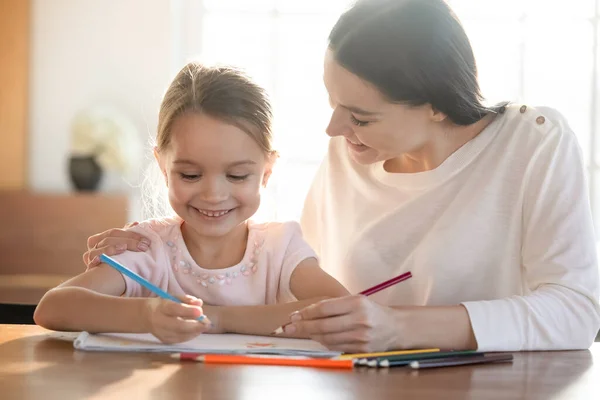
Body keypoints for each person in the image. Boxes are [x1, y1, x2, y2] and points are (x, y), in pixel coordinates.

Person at [81, 0, 600, 353]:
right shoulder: (349, 149)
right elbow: (290, 279)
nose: (333, 128)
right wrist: (157, 243)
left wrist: (398, 327)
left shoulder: (534, 142)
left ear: (438, 105)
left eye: (361, 115)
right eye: (333, 104)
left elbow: (576, 313)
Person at [34, 63, 349, 344]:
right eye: (190, 174)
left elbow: (341, 309)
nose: (213, 194)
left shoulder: (280, 248)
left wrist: (219, 319)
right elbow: (53, 307)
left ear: (266, 171)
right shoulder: (147, 247)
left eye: (237, 176)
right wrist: (145, 315)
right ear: (162, 167)